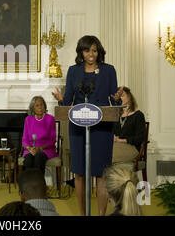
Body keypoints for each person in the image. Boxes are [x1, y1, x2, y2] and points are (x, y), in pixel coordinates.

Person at [52, 35, 123, 216]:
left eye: (94, 50)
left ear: (98, 52)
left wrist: (115, 100)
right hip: (78, 128)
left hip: (101, 129)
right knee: (80, 173)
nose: (91, 54)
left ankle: (100, 214)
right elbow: (68, 101)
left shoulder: (109, 70)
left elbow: (113, 101)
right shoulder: (74, 71)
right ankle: (83, 214)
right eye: (87, 50)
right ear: (81, 52)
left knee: (101, 173)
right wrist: (61, 100)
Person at [21, 96, 59, 175]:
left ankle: (39, 185)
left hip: (45, 149)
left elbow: (52, 140)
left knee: (38, 157)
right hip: (31, 149)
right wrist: (30, 148)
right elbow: (24, 139)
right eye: (37, 106)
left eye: (41, 105)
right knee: (28, 160)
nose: (40, 107)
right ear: (33, 108)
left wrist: (40, 148)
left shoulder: (50, 119)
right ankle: (29, 185)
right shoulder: (28, 119)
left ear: (44, 106)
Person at [112, 86, 146, 164]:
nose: (120, 98)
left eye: (122, 95)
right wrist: (112, 137)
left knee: (108, 156)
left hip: (132, 147)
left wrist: (122, 140)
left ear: (129, 96)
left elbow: (140, 138)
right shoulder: (115, 115)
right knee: (100, 153)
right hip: (116, 145)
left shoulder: (138, 115)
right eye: (118, 96)